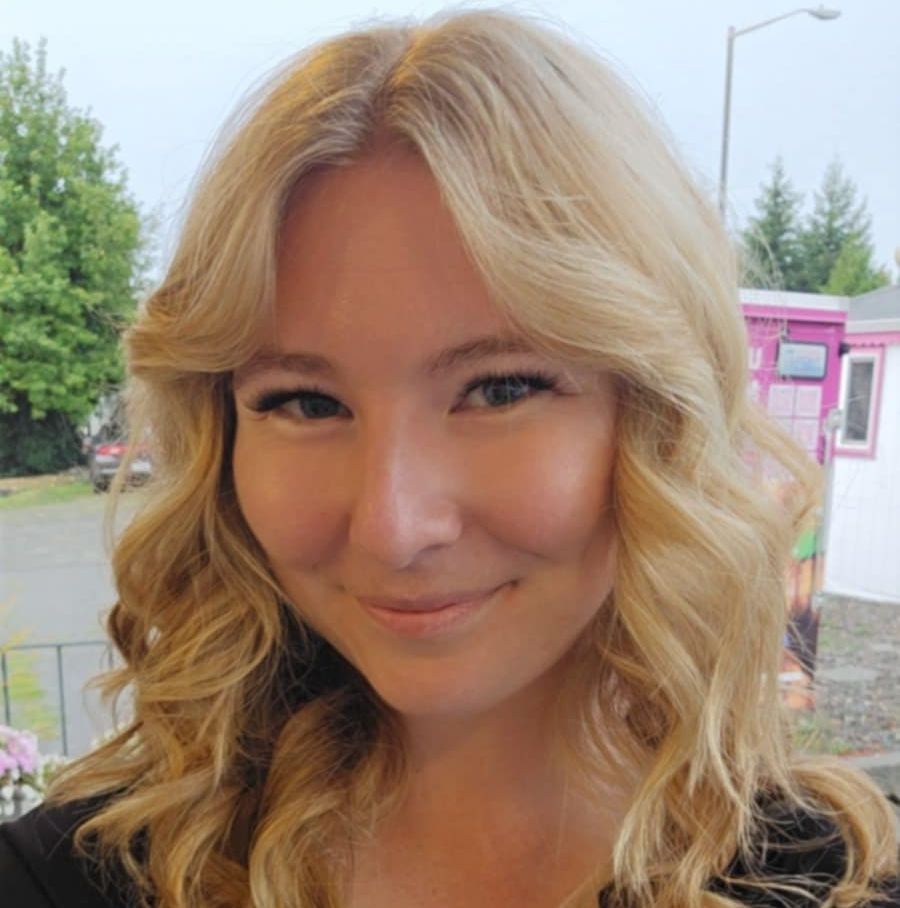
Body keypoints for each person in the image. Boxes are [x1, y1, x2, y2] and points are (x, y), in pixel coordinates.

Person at [1, 8, 898, 907]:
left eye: (500, 389)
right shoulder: (72, 878)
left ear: (658, 415)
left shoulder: (836, 885)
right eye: (306, 402)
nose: (392, 529)